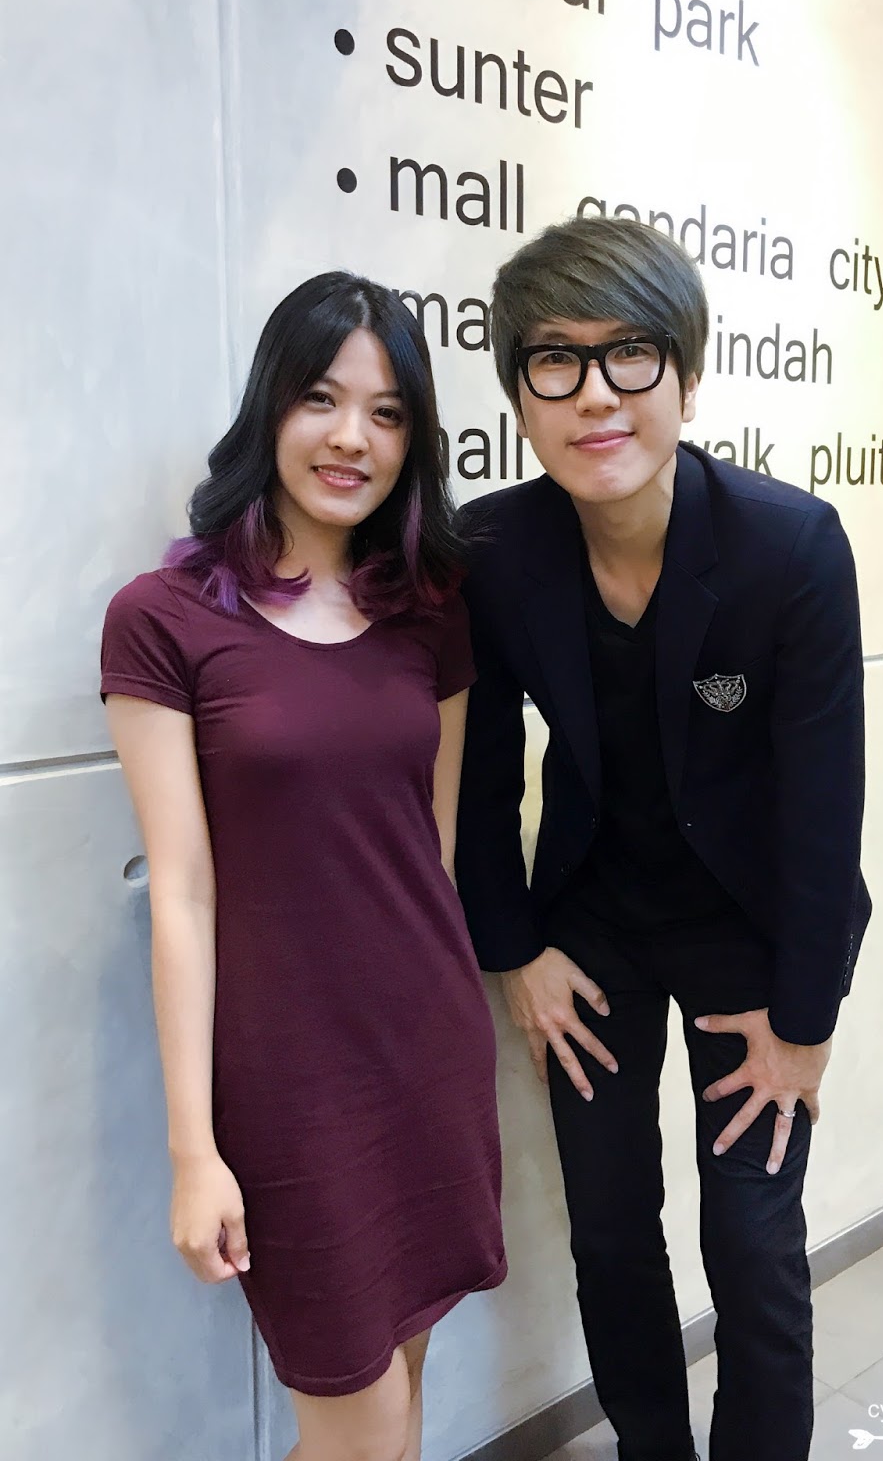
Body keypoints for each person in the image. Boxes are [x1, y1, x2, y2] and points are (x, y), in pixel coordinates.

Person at [455, 218, 870, 1461]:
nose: (595, 394)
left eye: (630, 354)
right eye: (555, 361)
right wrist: (515, 951)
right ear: (520, 395)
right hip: (591, 924)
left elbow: (825, 809)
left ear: (686, 376)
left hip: (747, 929)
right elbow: (478, 779)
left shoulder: (788, 546)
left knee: (751, 1243)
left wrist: (806, 1023)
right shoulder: (495, 552)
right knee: (610, 1226)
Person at [101, 273, 505, 1461]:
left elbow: (430, 851)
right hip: (287, 1081)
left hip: (426, 1048)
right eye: (322, 398)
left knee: (403, 1394)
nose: (351, 438)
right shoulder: (164, 618)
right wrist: (194, 1148)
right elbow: (181, 896)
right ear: (270, 404)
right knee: (360, 1422)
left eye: (387, 413)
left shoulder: (431, 611)